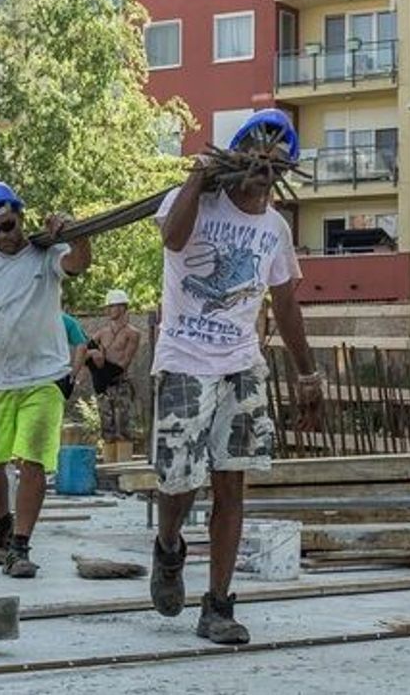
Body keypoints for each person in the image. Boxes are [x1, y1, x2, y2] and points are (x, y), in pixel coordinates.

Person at [148, 109, 322, 643]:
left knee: (232, 481)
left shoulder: (275, 229)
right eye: (254, 158)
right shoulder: (193, 202)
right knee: (178, 481)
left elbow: (285, 303)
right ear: (235, 157)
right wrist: (196, 178)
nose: (263, 171)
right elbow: (172, 241)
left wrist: (307, 373)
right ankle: (169, 546)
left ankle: (218, 606)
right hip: (184, 359)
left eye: (275, 165)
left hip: (242, 365)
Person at [0, 180, 92, 579]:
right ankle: (3, 525)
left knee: (33, 459)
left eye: (8, 226)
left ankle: (20, 546)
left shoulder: (46, 252)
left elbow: (78, 263)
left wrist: (77, 233)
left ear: (21, 217)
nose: (3, 236)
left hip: (45, 376)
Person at [84, 289, 141, 447]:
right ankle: (109, 458)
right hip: (103, 385)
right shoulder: (102, 333)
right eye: (107, 307)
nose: (108, 310)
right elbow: (84, 352)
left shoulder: (132, 333)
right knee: (107, 430)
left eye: (112, 306)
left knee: (124, 428)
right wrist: (94, 353)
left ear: (122, 307)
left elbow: (124, 362)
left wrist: (102, 368)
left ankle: (124, 459)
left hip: (119, 382)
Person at [62, 313, 89, 389]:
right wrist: (75, 372)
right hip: (61, 372)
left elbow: (82, 347)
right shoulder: (68, 321)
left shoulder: (34, 318)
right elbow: (82, 346)